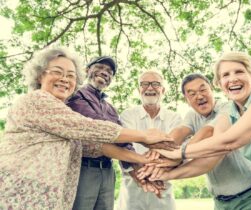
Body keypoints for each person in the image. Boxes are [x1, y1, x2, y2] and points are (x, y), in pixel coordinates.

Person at [0, 47, 173, 210]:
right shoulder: (41, 100)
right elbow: (88, 128)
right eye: (57, 72)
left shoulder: (108, 108)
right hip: (24, 188)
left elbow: (95, 145)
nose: (64, 79)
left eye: (70, 75)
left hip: (62, 186)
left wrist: (142, 165)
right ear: (39, 76)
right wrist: (144, 136)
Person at [157, 52, 251, 210]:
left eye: (239, 71)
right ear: (220, 83)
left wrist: (178, 153)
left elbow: (228, 141)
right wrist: (163, 173)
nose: (232, 79)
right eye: (225, 75)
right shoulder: (230, 113)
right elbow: (216, 148)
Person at [147, 73, 251, 210]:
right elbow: (178, 133)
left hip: (249, 196)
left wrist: (178, 157)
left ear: (211, 90)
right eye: (192, 93)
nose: (199, 96)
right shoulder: (191, 116)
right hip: (220, 201)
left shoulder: (228, 108)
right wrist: (156, 160)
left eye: (203, 90)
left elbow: (208, 132)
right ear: (186, 100)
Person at [66, 56, 157, 210]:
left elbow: (123, 139)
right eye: (100, 67)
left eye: (109, 71)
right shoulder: (76, 95)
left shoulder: (111, 109)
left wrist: (138, 170)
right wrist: (144, 140)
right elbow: (100, 127)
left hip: (108, 171)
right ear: (87, 70)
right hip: (84, 169)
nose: (105, 72)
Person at [116, 71, 182, 210]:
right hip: (132, 186)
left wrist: (152, 169)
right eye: (144, 84)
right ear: (139, 89)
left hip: (163, 185)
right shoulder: (127, 115)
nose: (150, 88)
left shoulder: (174, 118)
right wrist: (139, 174)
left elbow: (175, 148)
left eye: (156, 84)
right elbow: (125, 147)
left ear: (163, 90)